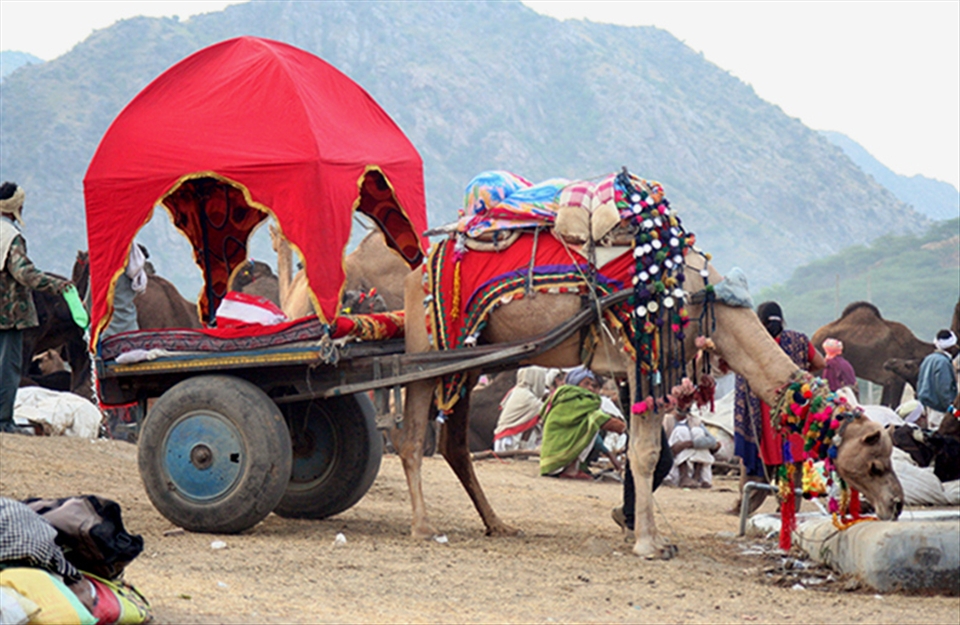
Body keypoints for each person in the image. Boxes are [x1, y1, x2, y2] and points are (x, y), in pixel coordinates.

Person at [731, 301, 824, 514]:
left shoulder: (751, 343)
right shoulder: (799, 340)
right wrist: (800, 373)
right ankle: (788, 514)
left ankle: (744, 508)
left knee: (757, 465)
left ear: (759, 321)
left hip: (761, 416)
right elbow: (821, 363)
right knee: (792, 470)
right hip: (792, 417)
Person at [1, 182, 72, 434]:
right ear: (16, 207)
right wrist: (56, 285)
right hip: (8, 315)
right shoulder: (11, 237)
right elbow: (24, 273)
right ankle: (4, 423)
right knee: (8, 368)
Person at [539, 366, 626, 480]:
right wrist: (624, 428)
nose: (590, 388)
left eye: (592, 385)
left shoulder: (564, 397)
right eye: (586, 384)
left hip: (549, 459)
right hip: (558, 457)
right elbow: (600, 418)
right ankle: (570, 470)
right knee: (593, 421)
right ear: (576, 384)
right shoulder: (574, 399)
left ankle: (574, 467)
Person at [662, 379, 721, 489]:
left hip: (693, 461)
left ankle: (697, 475)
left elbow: (713, 441)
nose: (685, 405)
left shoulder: (695, 421)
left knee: (697, 432)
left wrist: (689, 444)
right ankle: (684, 475)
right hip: (674, 462)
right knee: (681, 431)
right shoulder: (667, 420)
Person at [492, 366, 548, 453]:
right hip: (509, 440)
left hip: (505, 437)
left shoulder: (516, 390)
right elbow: (545, 411)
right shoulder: (526, 396)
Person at [101, 242, 148, 339]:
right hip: (131, 329)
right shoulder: (133, 274)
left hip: (109, 333)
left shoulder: (103, 274)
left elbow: (90, 305)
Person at [916, 330, 959, 430]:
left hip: (928, 408)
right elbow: (944, 391)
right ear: (951, 348)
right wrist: (954, 413)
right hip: (940, 411)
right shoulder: (943, 363)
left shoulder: (928, 359)